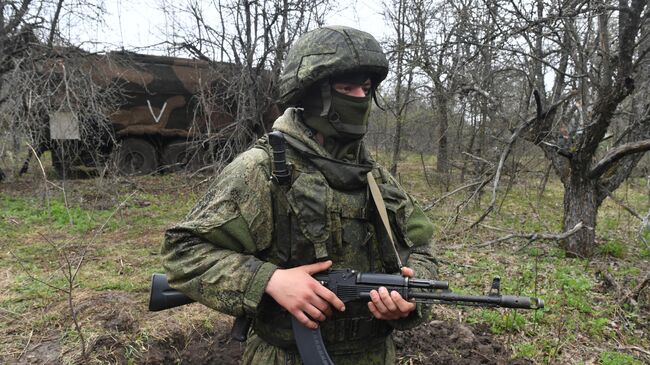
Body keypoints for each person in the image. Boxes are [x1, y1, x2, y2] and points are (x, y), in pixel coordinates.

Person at [162, 25, 437, 365]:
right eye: (346, 87)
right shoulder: (263, 169)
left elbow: (422, 250)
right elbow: (183, 251)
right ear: (311, 93)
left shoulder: (375, 177)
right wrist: (269, 280)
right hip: (284, 356)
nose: (360, 98)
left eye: (366, 88)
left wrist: (409, 300)